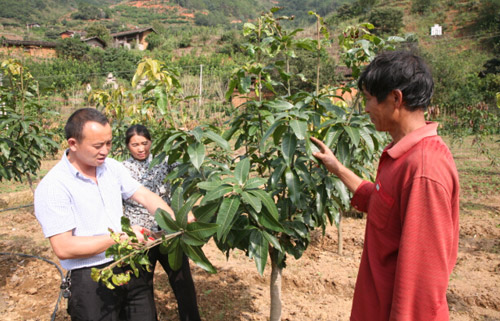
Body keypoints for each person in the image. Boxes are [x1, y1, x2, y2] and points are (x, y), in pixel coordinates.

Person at [311, 50, 459, 321]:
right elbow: (382, 204)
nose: (365, 108)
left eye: (368, 99)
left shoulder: (424, 169)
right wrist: (338, 168)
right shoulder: (403, 156)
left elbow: (421, 283)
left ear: (395, 98)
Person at [34, 108, 180, 321]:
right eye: (97, 146)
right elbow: (64, 247)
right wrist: (124, 238)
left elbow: (144, 196)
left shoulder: (112, 168)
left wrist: (172, 220)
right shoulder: (54, 186)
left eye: (109, 143)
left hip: (129, 265)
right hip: (91, 277)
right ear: (73, 144)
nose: (105, 151)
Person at [122, 124, 201, 321]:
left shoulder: (164, 161)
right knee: (141, 286)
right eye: (135, 145)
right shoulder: (121, 170)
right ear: (127, 146)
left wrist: (187, 141)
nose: (141, 149)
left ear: (151, 142)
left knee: (182, 281)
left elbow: (185, 175)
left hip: (169, 231)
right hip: (141, 237)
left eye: (145, 143)